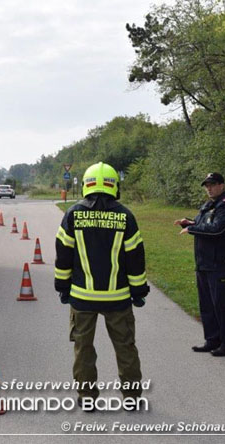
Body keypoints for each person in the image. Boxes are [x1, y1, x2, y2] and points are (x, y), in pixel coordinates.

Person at [55, 162, 150, 409]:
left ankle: (87, 399)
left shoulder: (73, 214)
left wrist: (62, 287)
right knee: (125, 348)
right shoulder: (125, 216)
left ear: (86, 185)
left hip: (81, 298)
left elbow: (63, 254)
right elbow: (135, 257)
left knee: (83, 349)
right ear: (114, 185)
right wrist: (138, 290)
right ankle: (131, 399)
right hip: (118, 299)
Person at [175, 172, 225, 357]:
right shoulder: (208, 205)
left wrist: (192, 228)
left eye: (212, 184)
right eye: (207, 185)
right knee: (207, 304)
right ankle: (212, 340)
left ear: (222, 185)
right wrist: (189, 223)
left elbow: (217, 230)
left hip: (220, 263)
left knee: (221, 303)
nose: (209, 188)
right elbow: (203, 224)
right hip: (203, 262)